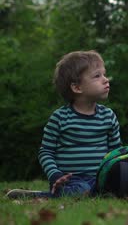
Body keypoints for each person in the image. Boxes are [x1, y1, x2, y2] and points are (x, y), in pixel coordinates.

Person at [6, 50, 121, 199]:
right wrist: (55, 175)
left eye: (104, 74)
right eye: (97, 76)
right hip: (70, 181)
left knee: (119, 188)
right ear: (77, 88)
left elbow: (116, 152)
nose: (106, 80)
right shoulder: (60, 118)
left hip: (100, 179)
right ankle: (40, 196)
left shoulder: (108, 116)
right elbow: (46, 152)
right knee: (81, 189)